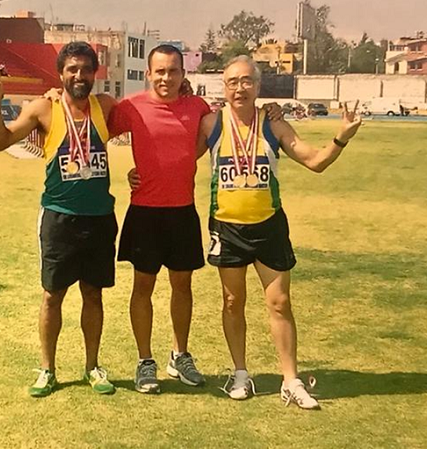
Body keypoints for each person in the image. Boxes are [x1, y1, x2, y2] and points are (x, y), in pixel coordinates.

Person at [197, 56, 362, 410]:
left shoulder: (274, 124)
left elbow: (315, 162)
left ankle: (291, 380)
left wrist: (341, 138)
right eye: (232, 82)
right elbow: (177, 159)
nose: (239, 88)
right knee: (231, 301)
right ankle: (240, 373)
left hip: (269, 226)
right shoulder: (211, 124)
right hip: (226, 226)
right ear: (223, 88)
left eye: (246, 81)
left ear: (258, 86)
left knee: (280, 303)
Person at [0, 41, 119, 398]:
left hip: (100, 218)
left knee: (93, 295)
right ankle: (47, 369)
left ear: (95, 74)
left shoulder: (105, 107)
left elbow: (150, 119)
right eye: (72, 69)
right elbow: (0, 142)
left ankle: (92, 366)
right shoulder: (43, 109)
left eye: (86, 69)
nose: (79, 75)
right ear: (61, 73)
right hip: (60, 218)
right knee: (52, 296)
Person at [109, 44, 214, 393]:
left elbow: (214, 134)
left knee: (182, 287)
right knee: (143, 288)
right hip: (145, 213)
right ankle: (144, 361)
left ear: (183, 74)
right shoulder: (131, 107)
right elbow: (93, 126)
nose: (166, 77)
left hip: (182, 211)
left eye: (173, 71)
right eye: (160, 71)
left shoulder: (198, 107)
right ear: (148, 73)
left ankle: (179, 355)